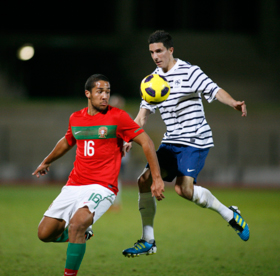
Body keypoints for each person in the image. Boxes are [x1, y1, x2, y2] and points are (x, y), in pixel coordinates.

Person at [122, 30, 250, 258]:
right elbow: (142, 115)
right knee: (143, 181)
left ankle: (229, 215)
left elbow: (214, 89)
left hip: (195, 139)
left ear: (170, 50)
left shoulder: (190, 72)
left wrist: (233, 102)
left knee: (183, 190)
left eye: (159, 50)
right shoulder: (152, 80)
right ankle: (148, 240)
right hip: (172, 140)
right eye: (151, 52)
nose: (155, 56)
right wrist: (128, 136)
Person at [32, 74, 164, 276]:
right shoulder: (76, 118)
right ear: (88, 94)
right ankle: (81, 234)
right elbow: (67, 141)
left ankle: (71, 270)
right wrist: (47, 161)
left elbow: (147, 142)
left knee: (77, 223)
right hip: (74, 185)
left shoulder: (118, 117)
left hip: (102, 186)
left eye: (108, 92)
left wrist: (156, 178)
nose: (105, 96)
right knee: (44, 234)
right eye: (100, 91)